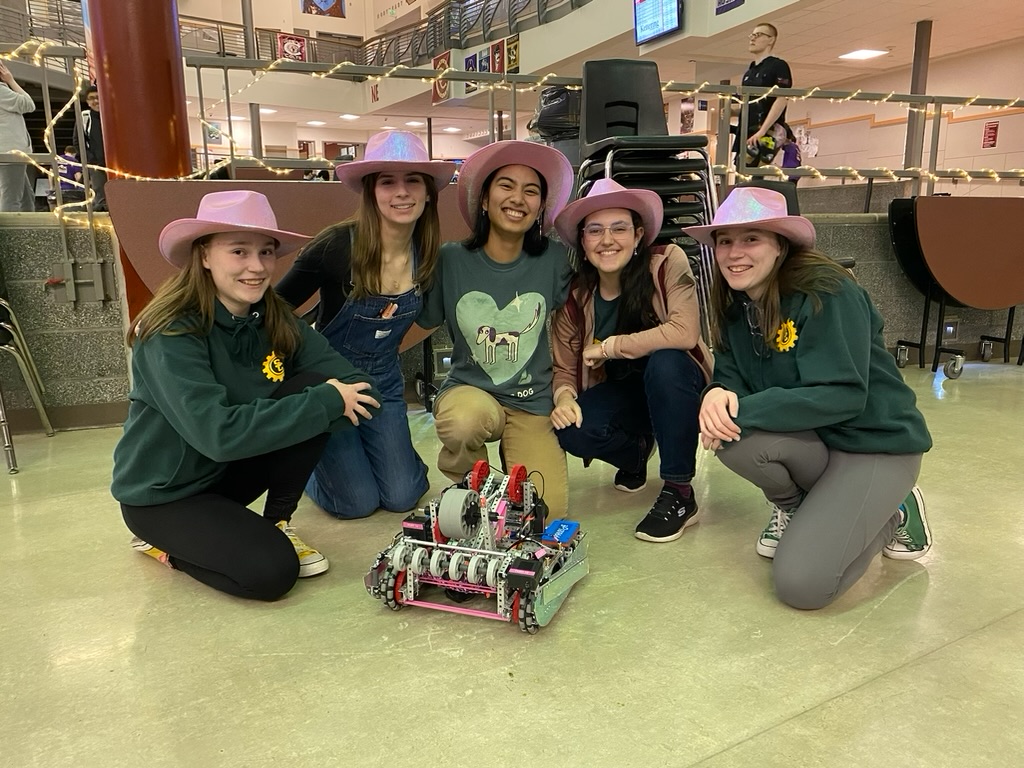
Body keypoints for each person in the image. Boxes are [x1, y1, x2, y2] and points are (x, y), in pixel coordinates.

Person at [111, 190, 381, 601]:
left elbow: (358, 384)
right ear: (203, 255)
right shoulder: (170, 332)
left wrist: (327, 397)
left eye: (267, 253)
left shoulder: (274, 316)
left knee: (312, 386)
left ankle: (278, 522)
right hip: (165, 495)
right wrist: (327, 401)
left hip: (227, 474)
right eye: (239, 251)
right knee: (271, 574)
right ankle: (166, 547)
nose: (257, 267)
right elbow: (218, 435)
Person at [688, 187, 933, 611]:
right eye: (724, 240)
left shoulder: (828, 292)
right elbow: (729, 375)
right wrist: (714, 394)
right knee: (730, 436)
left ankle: (893, 510)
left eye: (751, 238)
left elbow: (843, 396)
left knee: (803, 586)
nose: (733, 253)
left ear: (781, 245)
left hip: (874, 444)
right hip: (816, 442)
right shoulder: (734, 303)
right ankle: (798, 510)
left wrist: (739, 408)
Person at [277, 131, 455, 519]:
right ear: (371, 192)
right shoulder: (336, 245)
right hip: (329, 384)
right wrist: (305, 371)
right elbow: (276, 308)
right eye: (387, 182)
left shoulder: (427, 253)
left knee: (402, 497)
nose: (402, 192)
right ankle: (303, 463)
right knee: (355, 504)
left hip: (384, 383)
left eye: (413, 181)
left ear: (429, 193)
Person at [404, 140, 574, 518]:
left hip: (533, 402)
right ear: (483, 199)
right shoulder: (450, 258)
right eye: (506, 185)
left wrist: (568, 390)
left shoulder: (555, 259)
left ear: (541, 207)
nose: (518, 198)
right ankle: (468, 484)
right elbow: (422, 318)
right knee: (464, 423)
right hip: (470, 392)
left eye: (531, 191)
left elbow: (573, 327)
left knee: (547, 516)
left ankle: (512, 474)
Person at [550, 179, 713, 542]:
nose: (607, 240)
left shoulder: (666, 261)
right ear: (583, 241)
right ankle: (635, 454)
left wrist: (609, 347)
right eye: (595, 230)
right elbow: (563, 366)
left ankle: (679, 492)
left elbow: (684, 332)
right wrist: (563, 396)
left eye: (619, 228)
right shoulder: (575, 296)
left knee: (666, 361)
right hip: (625, 391)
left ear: (639, 235)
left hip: (680, 385)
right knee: (572, 429)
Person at [731, 23, 792, 166]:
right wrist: (732, 111)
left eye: (758, 35)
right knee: (741, 169)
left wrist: (763, 130)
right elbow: (751, 104)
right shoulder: (750, 71)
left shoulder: (778, 65)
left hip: (767, 130)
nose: (753, 39)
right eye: (752, 35)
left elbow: (781, 99)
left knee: (755, 172)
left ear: (771, 40)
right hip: (746, 130)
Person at [0, 60, 36, 213]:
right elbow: (28, 104)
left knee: (26, 198)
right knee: (12, 199)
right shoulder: (1, 91)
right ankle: (11, 236)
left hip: (9, 151)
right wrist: (11, 80)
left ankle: (28, 232)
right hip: (10, 152)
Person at [75, 85, 107, 211]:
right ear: (87, 102)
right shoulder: (85, 117)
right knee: (100, 192)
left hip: (117, 163)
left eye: (98, 97)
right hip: (96, 164)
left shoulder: (113, 113)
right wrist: (90, 159)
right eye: (92, 98)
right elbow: (78, 141)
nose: (96, 101)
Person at [49, 145, 84, 209]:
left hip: (57, 189)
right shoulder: (74, 161)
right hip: (70, 191)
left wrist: (51, 187)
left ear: (65, 152)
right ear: (74, 153)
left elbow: (50, 173)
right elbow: (77, 177)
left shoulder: (57, 159)